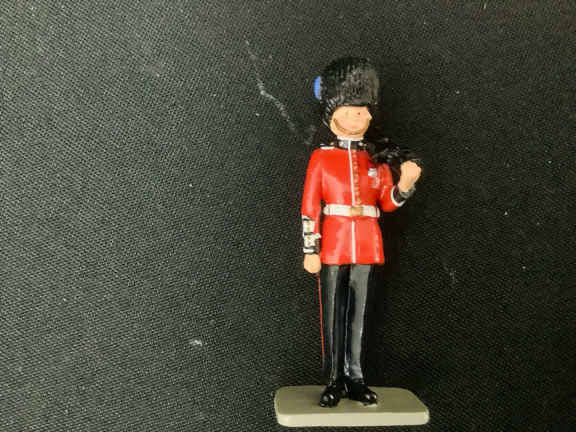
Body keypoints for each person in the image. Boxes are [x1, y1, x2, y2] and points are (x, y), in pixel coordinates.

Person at [301, 57, 422, 407]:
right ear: (334, 115)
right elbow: (310, 206)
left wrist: (405, 184)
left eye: (362, 111)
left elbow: (387, 202)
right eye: (351, 111)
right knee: (333, 314)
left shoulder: (375, 158)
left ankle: (355, 377)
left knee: (359, 315)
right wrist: (311, 249)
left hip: (366, 243)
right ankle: (333, 379)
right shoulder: (322, 158)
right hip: (334, 243)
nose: (358, 117)